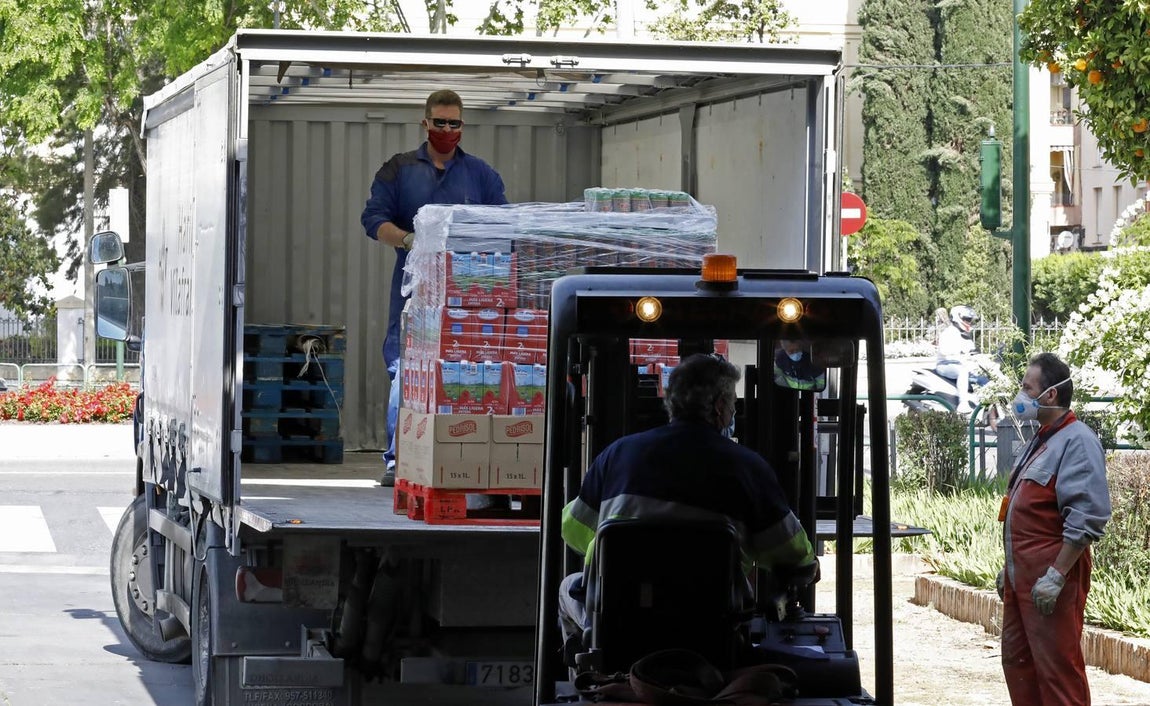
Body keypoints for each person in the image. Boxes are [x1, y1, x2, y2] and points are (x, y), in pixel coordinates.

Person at [558, 353, 818, 642]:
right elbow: (790, 554)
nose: (733, 409)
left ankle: (587, 658)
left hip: (619, 625)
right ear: (719, 406)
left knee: (568, 588)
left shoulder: (617, 455)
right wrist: (808, 563)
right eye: (733, 402)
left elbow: (573, 530)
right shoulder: (748, 468)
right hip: (713, 631)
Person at [361, 89, 508, 486]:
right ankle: (398, 460)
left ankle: (464, 455)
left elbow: (503, 224)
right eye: (439, 122)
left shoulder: (480, 175)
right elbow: (373, 220)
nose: (446, 129)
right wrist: (409, 240)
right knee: (406, 368)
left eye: (453, 123)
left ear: (462, 125)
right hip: (415, 290)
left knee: (470, 369)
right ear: (425, 123)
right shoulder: (399, 169)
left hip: (470, 291)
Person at [997, 352, 1111, 706]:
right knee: (1019, 663)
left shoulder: (1077, 441)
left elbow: (1087, 517)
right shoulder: (1043, 439)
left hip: (1051, 580)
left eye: (1027, 387)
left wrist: (1057, 575)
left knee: (1057, 672)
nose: (1020, 395)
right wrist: (1010, 568)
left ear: (1050, 395)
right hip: (1023, 579)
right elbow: (1027, 511)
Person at [935, 305, 981, 412]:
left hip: (961, 364)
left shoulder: (965, 334)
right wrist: (960, 353)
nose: (969, 322)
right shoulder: (949, 332)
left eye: (970, 320)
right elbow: (944, 351)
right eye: (967, 319)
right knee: (963, 371)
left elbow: (972, 350)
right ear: (958, 318)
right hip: (945, 364)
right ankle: (963, 403)